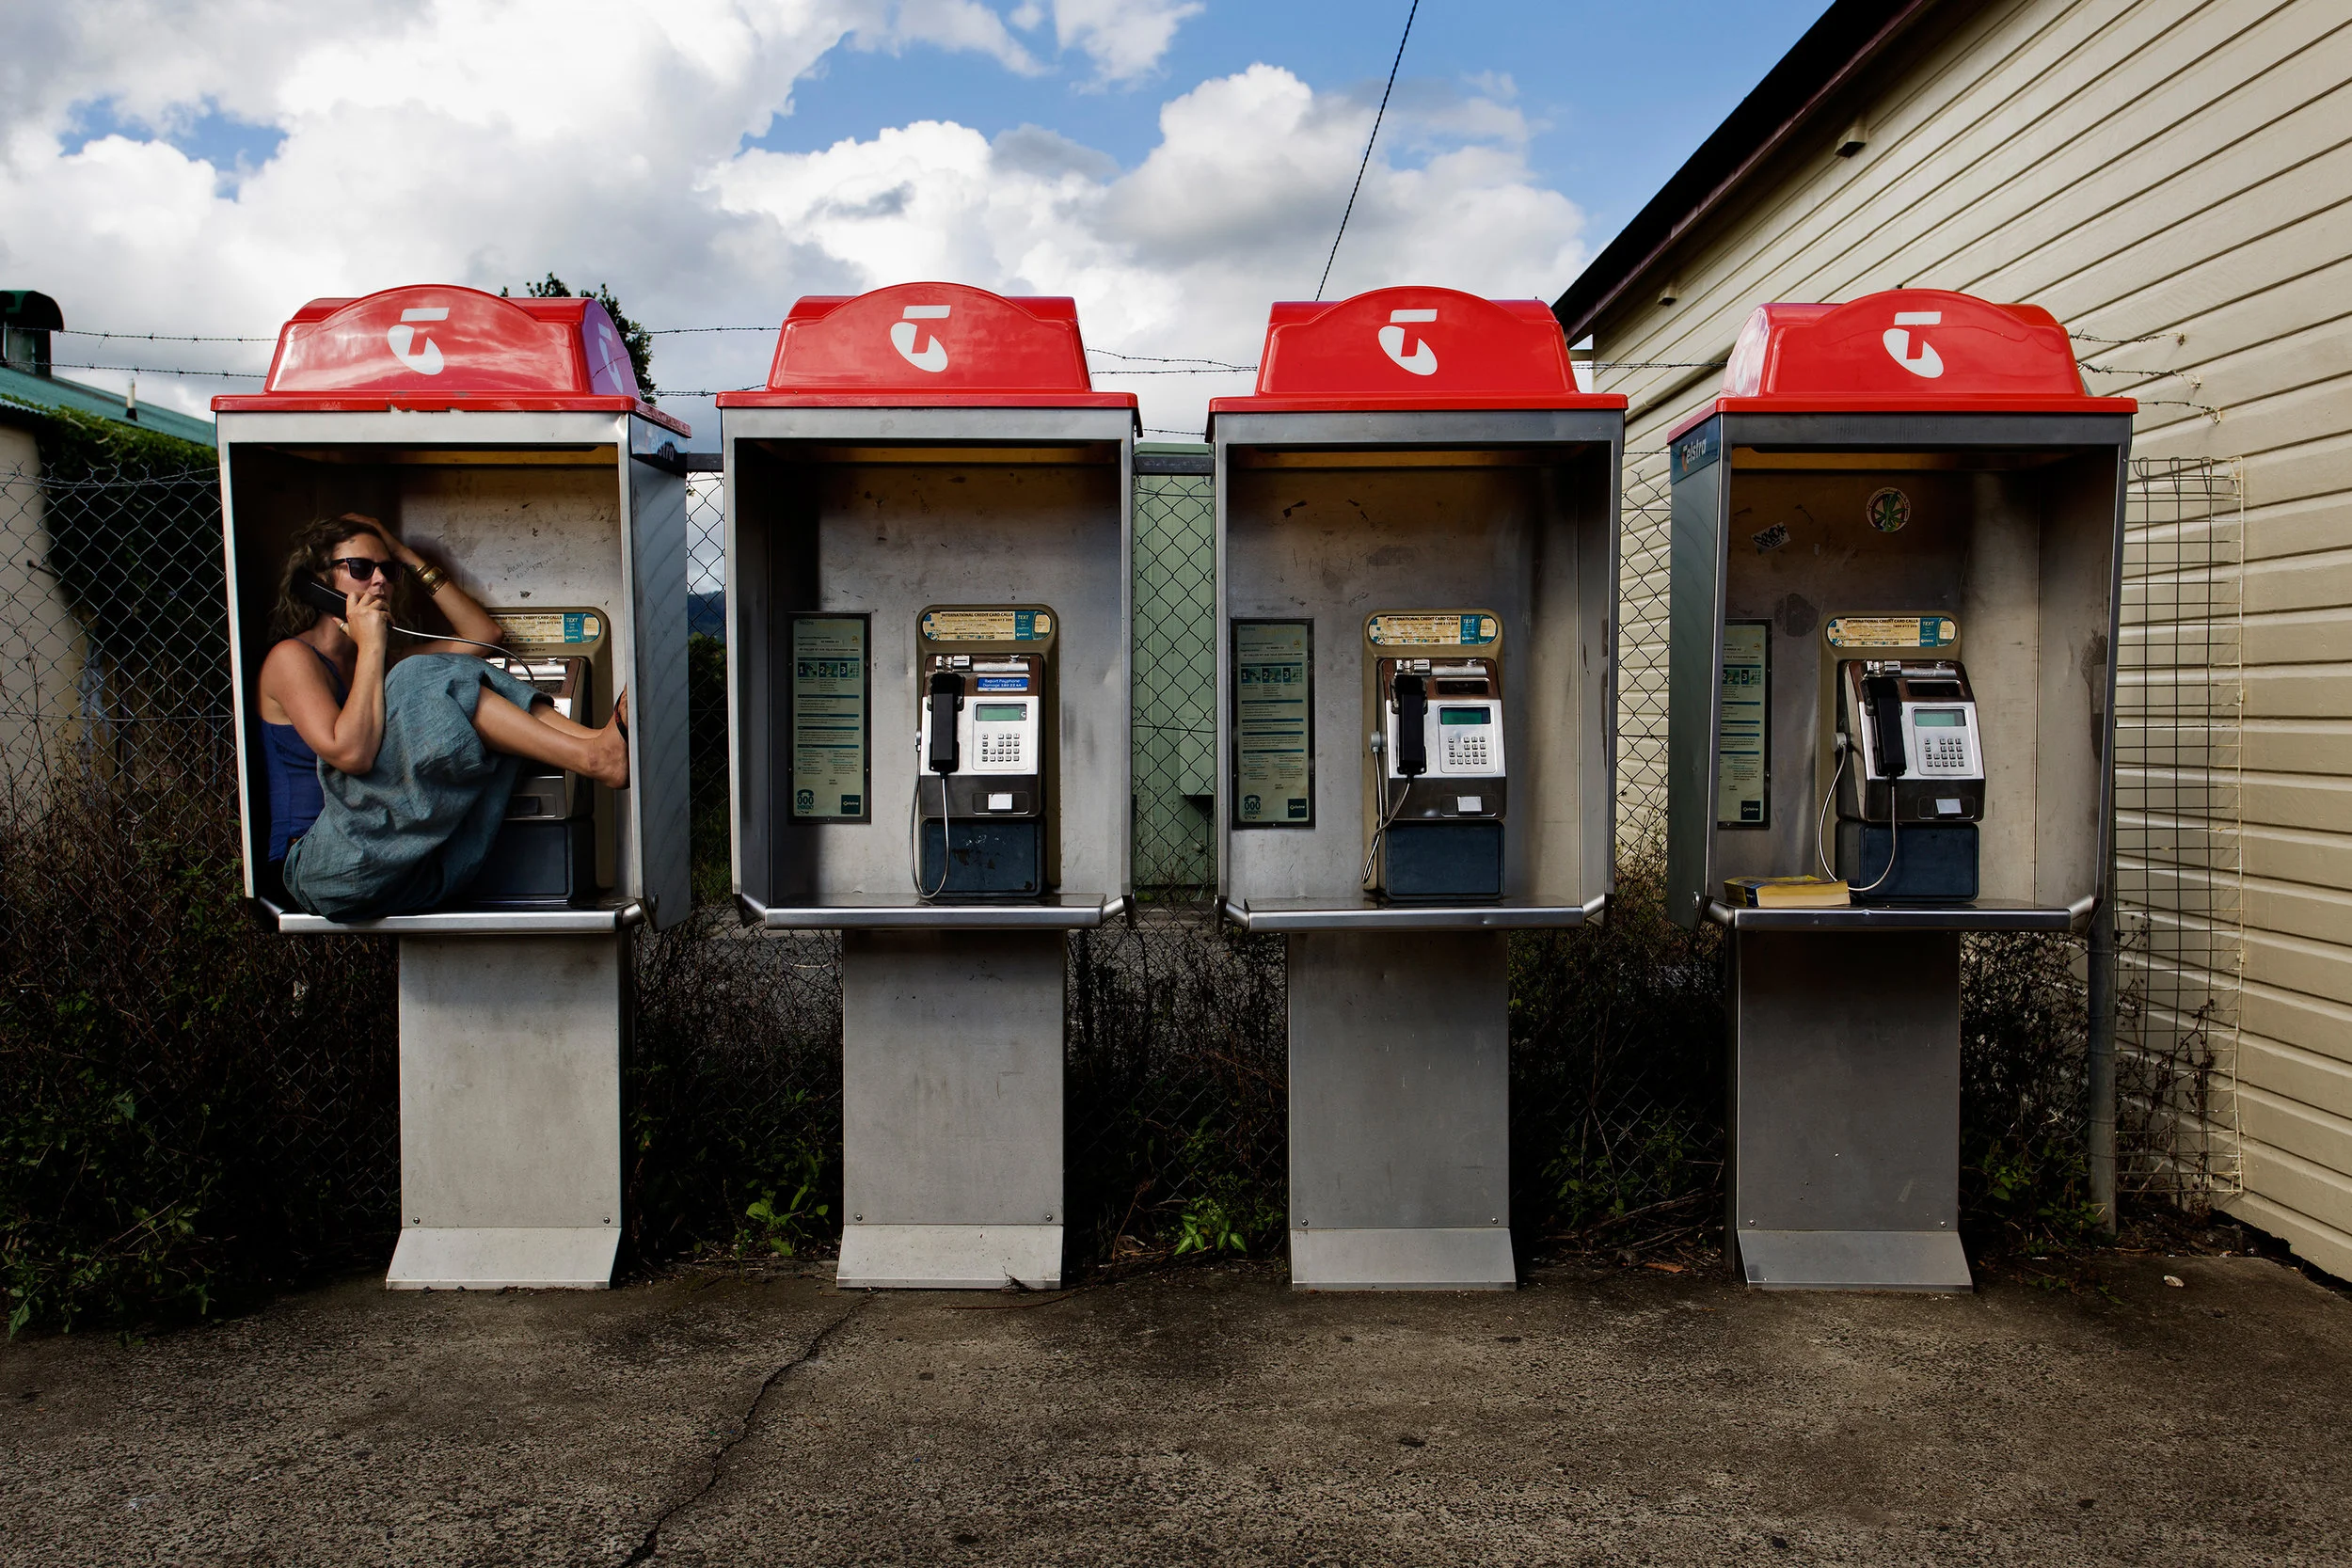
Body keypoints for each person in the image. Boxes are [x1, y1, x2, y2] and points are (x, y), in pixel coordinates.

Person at [257, 513, 630, 922]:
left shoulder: (379, 662)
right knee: (421, 672)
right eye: (362, 568)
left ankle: (595, 746)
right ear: (318, 581)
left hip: (400, 862)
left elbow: (481, 638)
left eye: (389, 570)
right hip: (321, 867)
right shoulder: (293, 659)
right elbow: (352, 755)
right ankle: (593, 757)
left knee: (457, 671)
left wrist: (404, 553)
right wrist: (372, 648)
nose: (380, 580)